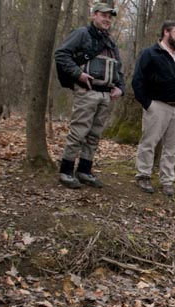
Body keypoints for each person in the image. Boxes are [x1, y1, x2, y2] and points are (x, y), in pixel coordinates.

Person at [54, 2, 124, 189]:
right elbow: (61, 54)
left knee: (94, 135)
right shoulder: (82, 34)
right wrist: (78, 74)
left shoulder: (110, 42)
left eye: (110, 17)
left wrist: (120, 87)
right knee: (79, 132)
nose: (107, 19)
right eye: (103, 15)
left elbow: (118, 69)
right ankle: (66, 171)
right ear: (94, 15)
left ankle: (84, 170)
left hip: (105, 95)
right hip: (86, 91)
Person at [132, 21, 175, 197]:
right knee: (148, 142)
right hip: (158, 106)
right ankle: (143, 175)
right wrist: (148, 104)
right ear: (165, 32)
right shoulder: (151, 54)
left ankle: (167, 180)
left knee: (172, 148)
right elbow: (138, 80)